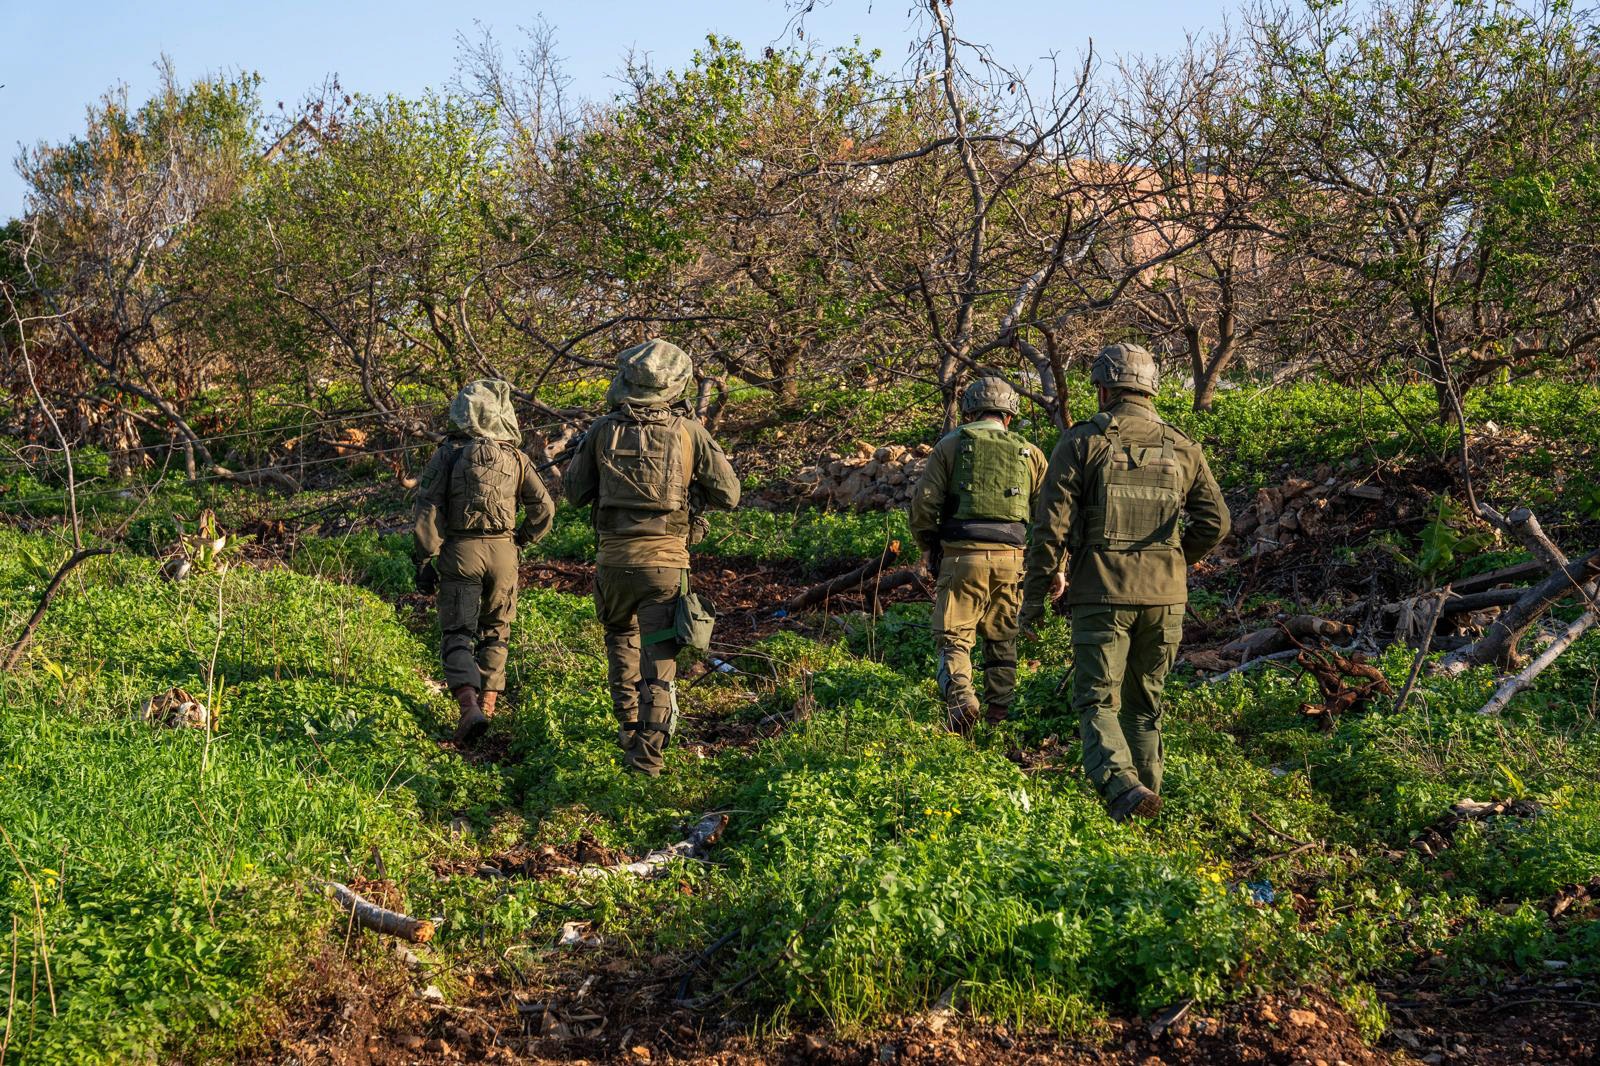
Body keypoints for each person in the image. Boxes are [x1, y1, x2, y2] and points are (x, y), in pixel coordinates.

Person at [1020, 343, 1230, 822]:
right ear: (1149, 388)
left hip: (1102, 594)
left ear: (1105, 388)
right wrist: (1176, 559)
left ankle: (1122, 788)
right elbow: (1216, 523)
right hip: (1166, 599)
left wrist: (1033, 602)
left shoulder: (1080, 442)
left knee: (1098, 700)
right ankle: (1143, 807)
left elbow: (1049, 530)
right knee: (1144, 705)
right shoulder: (1183, 446)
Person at [562, 339, 741, 776]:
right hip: (665, 564)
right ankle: (647, 760)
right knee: (659, 662)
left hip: (613, 562)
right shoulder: (689, 432)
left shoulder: (603, 430)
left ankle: (628, 730)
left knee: (621, 643)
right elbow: (729, 494)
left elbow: (572, 492)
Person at [413, 379, 556, 744]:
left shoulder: (447, 454)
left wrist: (424, 559)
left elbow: (428, 506)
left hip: (461, 551)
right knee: (496, 629)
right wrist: (521, 540)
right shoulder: (516, 457)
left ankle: (468, 706)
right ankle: (489, 706)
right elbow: (544, 509)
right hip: (503, 552)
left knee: (458, 632)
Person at [909, 375, 1047, 734]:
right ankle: (997, 717)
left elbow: (924, 505)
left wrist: (928, 545)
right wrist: (1055, 565)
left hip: (961, 558)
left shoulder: (951, 445)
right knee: (1002, 638)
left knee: (954, 638)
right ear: (1009, 416)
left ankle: (961, 700)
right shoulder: (1030, 453)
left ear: (969, 411)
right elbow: (1052, 514)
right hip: (1012, 561)